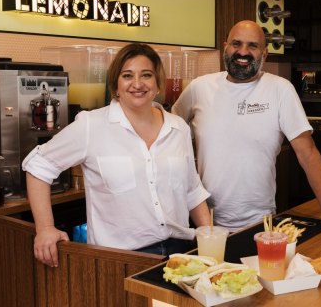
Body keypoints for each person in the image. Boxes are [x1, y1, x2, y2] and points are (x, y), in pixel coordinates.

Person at [172, 20, 321, 239]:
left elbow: (308, 154)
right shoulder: (199, 88)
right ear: (225, 47)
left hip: (260, 224)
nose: (243, 52)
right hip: (204, 223)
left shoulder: (280, 90)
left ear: (264, 54)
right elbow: (167, 131)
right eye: (236, 44)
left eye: (252, 46)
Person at [23, 43, 211, 267]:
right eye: (127, 75)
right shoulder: (91, 125)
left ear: (158, 83)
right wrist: (45, 228)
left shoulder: (178, 127)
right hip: (120, 260)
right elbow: (38, 166)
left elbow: (191, 190)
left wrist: (209, 240)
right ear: (116, 84)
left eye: (147, 75)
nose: (138, 84)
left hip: (181, 254)